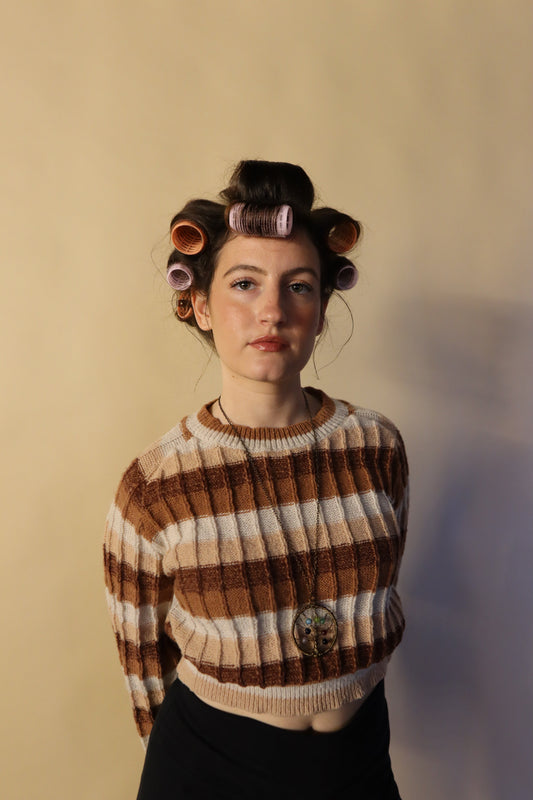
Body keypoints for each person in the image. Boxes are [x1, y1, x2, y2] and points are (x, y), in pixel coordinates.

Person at [104, 160, 408, 799]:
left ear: (322, 311)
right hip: (212, 766)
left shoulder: (377, 446)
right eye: (244, 283)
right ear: (200, 307)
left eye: (299, 286)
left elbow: (379, 589)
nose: (271, 310)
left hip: (359, 759)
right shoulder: (155, 485)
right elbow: (143, 663)